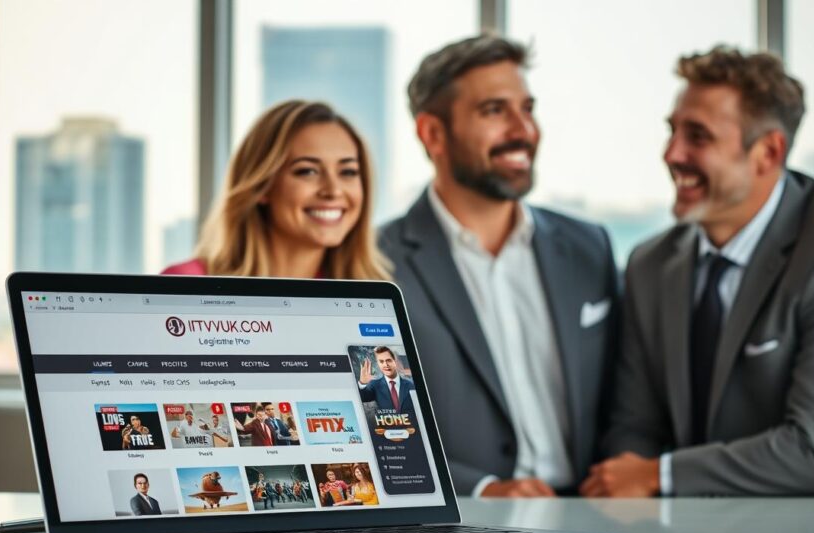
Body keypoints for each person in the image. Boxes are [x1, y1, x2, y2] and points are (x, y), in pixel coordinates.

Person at [581, 46, 814, 497]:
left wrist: (657, 476)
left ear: (768, 152)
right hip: (696, 526)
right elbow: (634, 426)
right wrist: (629, 483)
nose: (671, 153)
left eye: (698, 137)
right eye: (672, 131)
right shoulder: (651, 264)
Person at [379, 35, 618, 498]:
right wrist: (484, 490)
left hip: (598, 512)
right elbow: (377, 427)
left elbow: (631, 398)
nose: (523, 129)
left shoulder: (589, 247)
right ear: (432, 134)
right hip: (470, 516)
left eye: (527, 109)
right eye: (494, 111)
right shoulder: (376, 262)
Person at [163, 100, 390, 280]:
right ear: (262, 186)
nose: (333, 190)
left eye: (348, 172)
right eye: (307, 171)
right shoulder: (185, 285)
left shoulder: (376, 295)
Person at [357, 346, 415, 414]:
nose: (386, 364)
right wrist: (362, 383)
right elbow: (363, 398)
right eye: (381, 361)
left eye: (389, 360)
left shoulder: (410, 384)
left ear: (396, 362)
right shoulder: (375, 385)